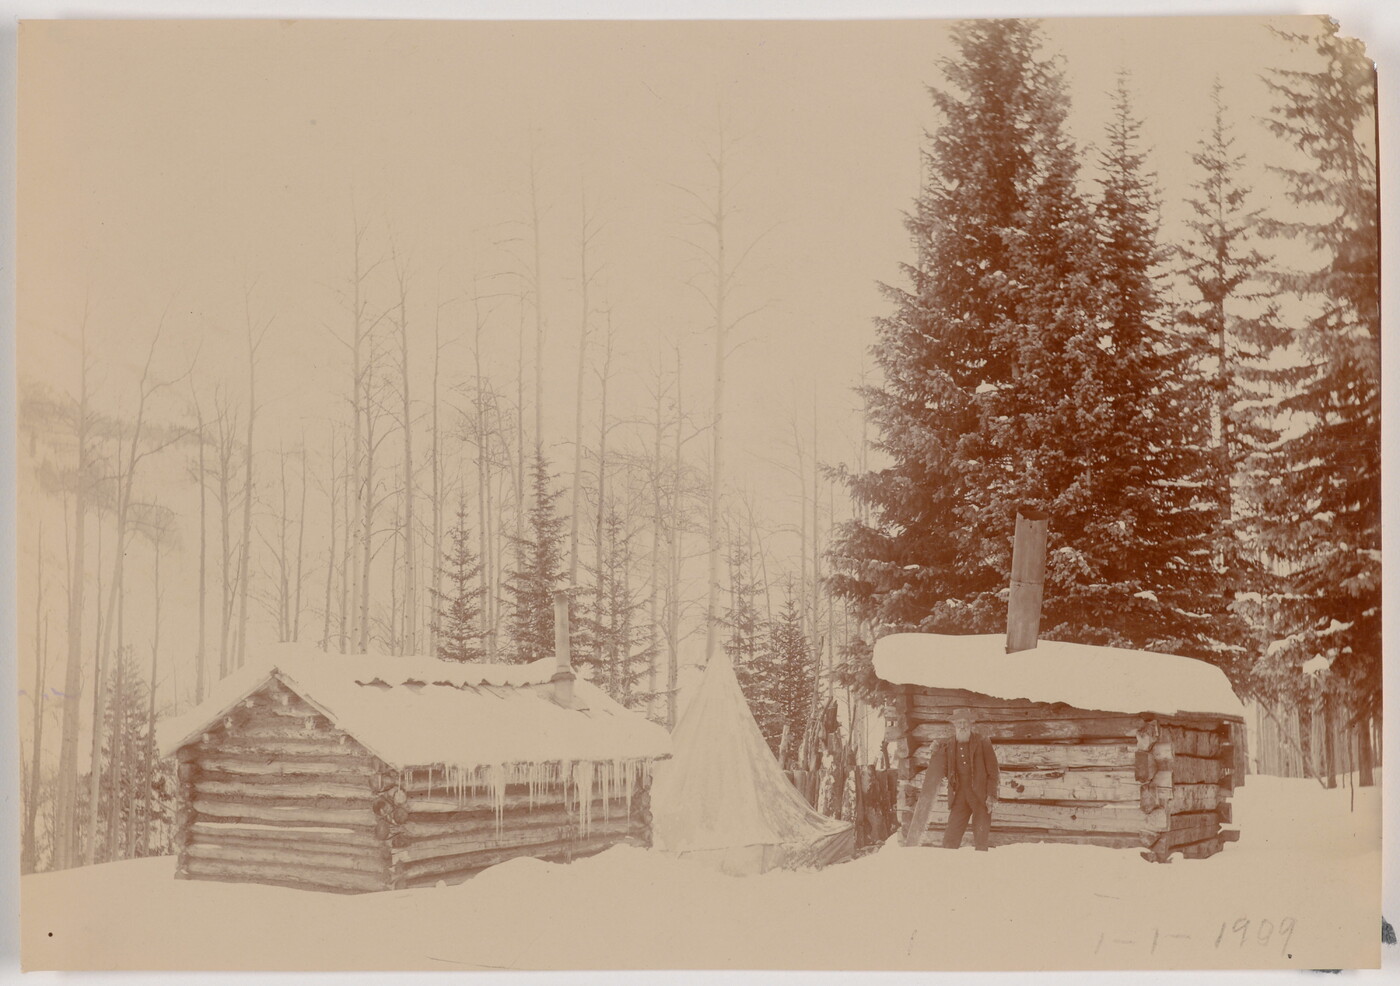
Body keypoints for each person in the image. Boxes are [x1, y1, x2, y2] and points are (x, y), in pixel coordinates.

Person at [925, 708, 999, 851]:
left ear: (971, 724)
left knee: (981, 839)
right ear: (954, 725)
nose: (962, 726)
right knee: (950, 838)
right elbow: (945, 771)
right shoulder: (949, 744)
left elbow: (993, 771)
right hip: (959, 796)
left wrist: (991, 795)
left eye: (965, 722)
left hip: (980, 796)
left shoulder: (982, 741)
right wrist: (935, 752)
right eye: (959, 723)